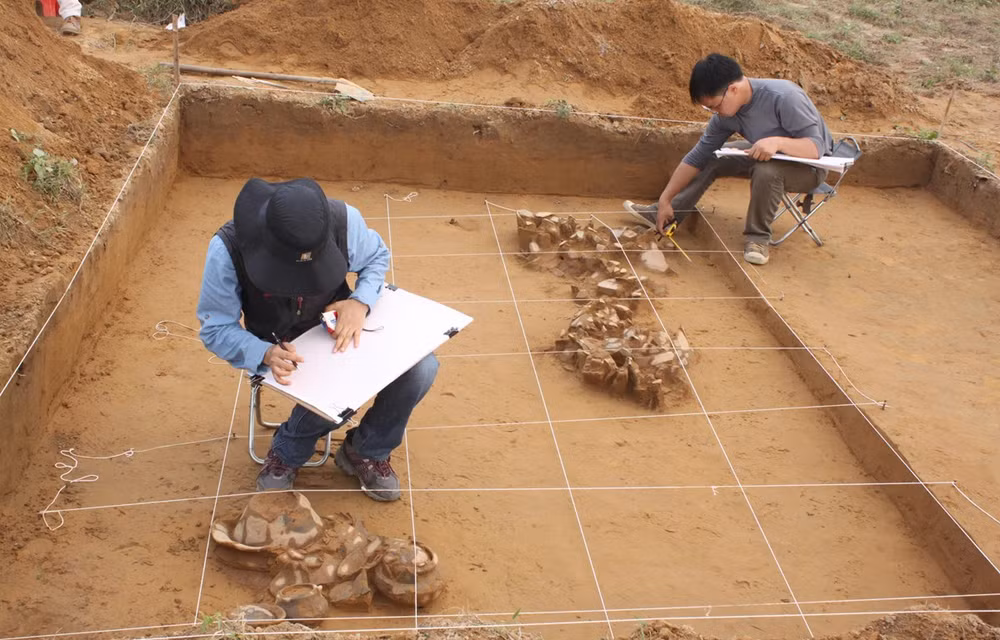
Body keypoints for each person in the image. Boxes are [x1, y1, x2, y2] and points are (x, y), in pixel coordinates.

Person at [197, 178, 439, 502]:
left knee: (421, 368)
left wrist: (360, 301)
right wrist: (263, 352)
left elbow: (376, 258)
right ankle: (287, 452)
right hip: (277, 342)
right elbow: (216, 327)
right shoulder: (227, 249)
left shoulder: (343, 222)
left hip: (336, 324)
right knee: (336, 379)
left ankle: (366, 450)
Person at [624, 53, 834, 265]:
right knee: (715, 155)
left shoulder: (784, 97)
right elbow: (698, 156)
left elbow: (815, 148)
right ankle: (670, 214)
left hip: (809, 166)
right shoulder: (726, 115)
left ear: (733, 89)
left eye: (714, 106)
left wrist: (777, 143)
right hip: (767, 153)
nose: (714, 112)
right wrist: (665, 199)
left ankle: (758, 239)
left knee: (767, 171)